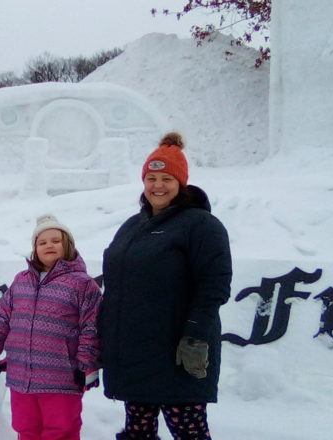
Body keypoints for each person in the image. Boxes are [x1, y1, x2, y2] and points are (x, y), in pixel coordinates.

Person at [99, 132, 232, 440]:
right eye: (151, 178)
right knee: (139, 430)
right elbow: (117, 288)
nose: (157, 186)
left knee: (189, 431)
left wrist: (196, 336)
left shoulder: (201, 225)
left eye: (166, 179)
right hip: (134, 352)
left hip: (177, 351)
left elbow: (214, 285)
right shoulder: (133, 226)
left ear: (181, 182)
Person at [0, 214, 103, 440]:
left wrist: (85, 364)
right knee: (26, 430)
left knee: (61, 431)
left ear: (67, 245)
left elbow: (92, 327)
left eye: (56, 240)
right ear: (35, 248)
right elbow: (2, 317)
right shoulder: (21, 280)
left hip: (62, 377)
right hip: (21, 377)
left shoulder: (82, 283)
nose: (49, 245)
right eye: (42, 242)